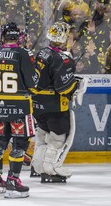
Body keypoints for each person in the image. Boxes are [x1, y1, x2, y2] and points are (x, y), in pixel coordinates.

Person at [0, 22, 38, 198]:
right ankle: (13, 180)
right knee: (20, 144)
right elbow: (32, 81)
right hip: (20, 106)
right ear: (18, 37)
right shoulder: (23, 53)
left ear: (3, 37)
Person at [31, 22, 78, 183]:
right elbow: (63, 87)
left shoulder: (42, 52)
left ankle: (37, 168)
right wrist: (76, 86)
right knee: (57, 138)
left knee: (42, 136)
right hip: (54, 105)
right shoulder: (61, 59)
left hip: (38, 104)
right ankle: (50, 171)